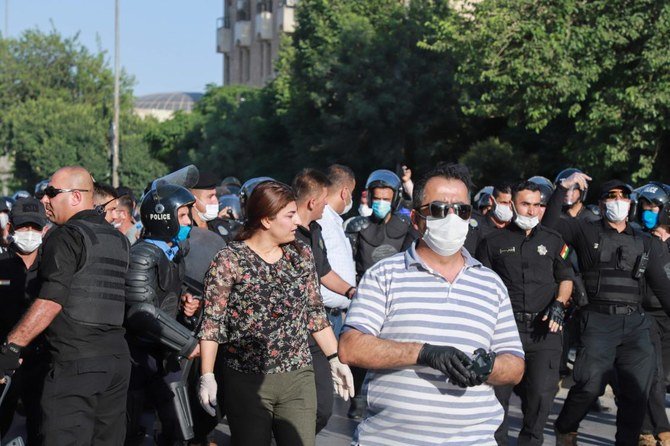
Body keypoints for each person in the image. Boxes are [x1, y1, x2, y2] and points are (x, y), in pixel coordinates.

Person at [339, 163, 525, 444]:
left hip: (473, 440)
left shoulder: (491, 284)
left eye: (461, 210)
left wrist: (488, 368)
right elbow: (351, 347)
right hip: (390, 439)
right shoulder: (384, 275)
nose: (452, 218)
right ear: (416, 219)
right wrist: (424, 353)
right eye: (439, 209)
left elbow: (515, 365)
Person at [197, 181, 353, 446]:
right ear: (266, 220)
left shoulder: (300, 254)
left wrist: (336, 358)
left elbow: (315, 313)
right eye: (289, 215)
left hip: (298, 377)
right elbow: (212, 322)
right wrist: (207, 375)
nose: (296, 221)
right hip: (247, 381)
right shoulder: (229, 260)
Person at [0, 166, 131, 445]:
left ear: (75, 196)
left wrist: (11, 346)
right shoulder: (118, 239)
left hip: (76, 365)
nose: (45, 200)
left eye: (51, 192)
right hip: (116, 364)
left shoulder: (65, 236)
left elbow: (50, 300)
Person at [543, 172, 670, 445]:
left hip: (635, 325)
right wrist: (561, 189)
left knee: (636, 393)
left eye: (623, 196)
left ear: (630, 204)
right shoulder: (585, 230)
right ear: (601, 204)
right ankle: (565, 427)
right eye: (611, 196)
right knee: (589, 386)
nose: (618, 201)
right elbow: (549, 226)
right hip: (597, 322)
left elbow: (660, 284)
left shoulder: (644, 241)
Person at [476, 181, 574, 446]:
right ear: (512, 205)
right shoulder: (492, 241)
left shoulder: (553, 240)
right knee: (498, 400)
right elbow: (480, 285)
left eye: (537, 205)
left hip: (545, 333)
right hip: (506, 332)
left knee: (541, 398)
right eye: (525, 204)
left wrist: (559, 303)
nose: (531, 211)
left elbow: (567, 278)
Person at [124, 182, 202, 445]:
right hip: (138, 356)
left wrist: (187, 306)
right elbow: (142, 314)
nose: (189, 221)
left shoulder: (172, 252)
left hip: (166, 352)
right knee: (131, 429)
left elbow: (166, 297)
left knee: (180, 427)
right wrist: (188, 342)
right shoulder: (143, 255)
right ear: (164, 217)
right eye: (182, 216)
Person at [344, 168, 418, 418]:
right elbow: (349, 262)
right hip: (365, 295)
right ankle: (358, 398)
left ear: (395, 198)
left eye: (387, 198)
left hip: (399, 295)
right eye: (377, 198)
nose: (381, 203)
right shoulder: (357, 226)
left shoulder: (407, 225)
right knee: (361, 349)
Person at [293, 168, 357, 434]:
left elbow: (324, 270)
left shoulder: (316, 229)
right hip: (292, 333)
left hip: (319, 326)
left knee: (323, 407)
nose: (327, 204)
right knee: (295, 404)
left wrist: (352, 292)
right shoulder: (285, 233)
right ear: (312, 202)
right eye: (323, 199)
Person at [0, 197, 50, 445]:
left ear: (45, 230)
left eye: (34, 227)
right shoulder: (2, 264)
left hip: (44, 363)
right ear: (10, 228)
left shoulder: (53, 267)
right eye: (23, 227)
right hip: (5, 362)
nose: (29, 233)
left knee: (42, 430)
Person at [634, 182, 670, 446]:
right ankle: (656, 431)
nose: (649, 212)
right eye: (645, 207)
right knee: (653, 374)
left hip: (668, 315)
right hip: (644, 315)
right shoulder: (638, 238)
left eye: (654, 207)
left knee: (662, 376)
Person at [318, 164, 358, 336]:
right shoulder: (321, 219)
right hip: (323, 316)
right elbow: (320, 267)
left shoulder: (334, 220)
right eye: (352, 194)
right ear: (345, 192)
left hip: (335, 315)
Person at [190, 170, 237, 241]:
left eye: (215, 195)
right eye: (210, 196)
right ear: (194, 200)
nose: (216, 201)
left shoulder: (221, 226)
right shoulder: (186, 231)